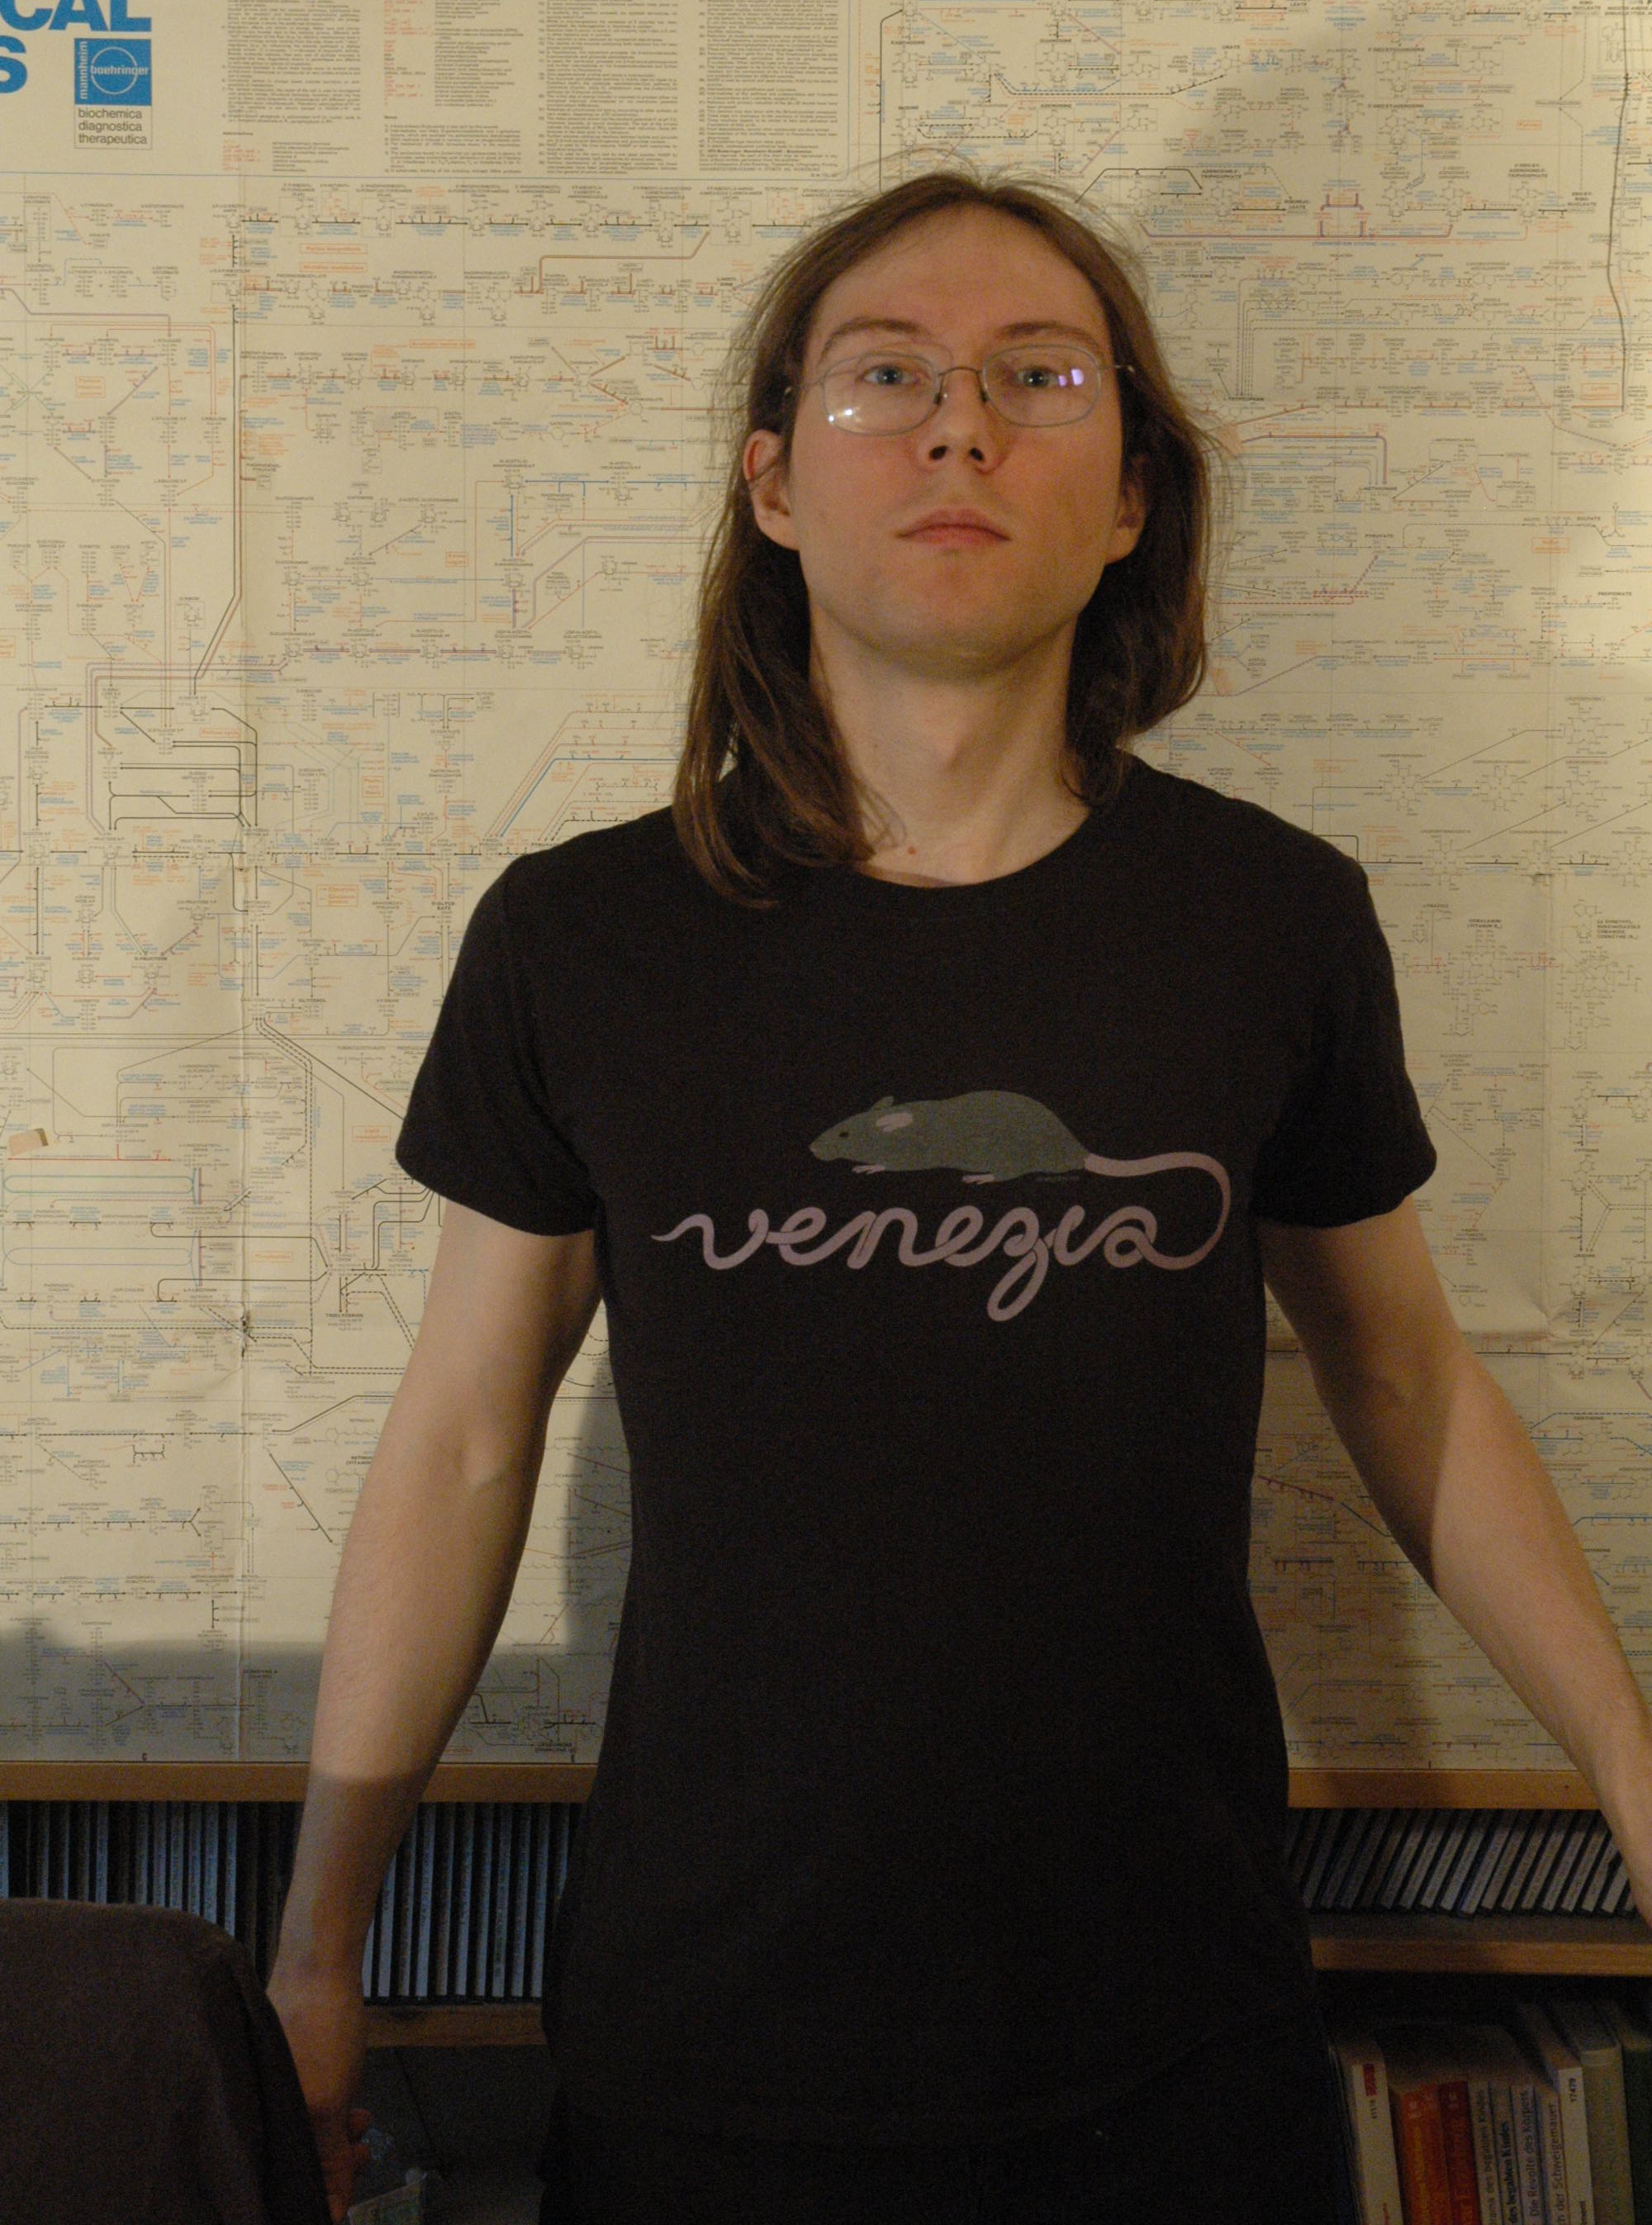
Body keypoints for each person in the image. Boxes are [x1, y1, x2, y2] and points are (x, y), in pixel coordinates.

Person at [268, 168, 1652, 2225]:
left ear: (1130, 499)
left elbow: (1409, 1380)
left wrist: (1634, 1773)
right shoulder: (582, 938)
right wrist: (316, 1944)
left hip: (1173, 2051)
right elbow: (464, 1437)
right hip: (709, 2051)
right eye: (885, 376)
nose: (959, 429)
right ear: (771, 483)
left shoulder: (1269, 919)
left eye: (1039, 376)